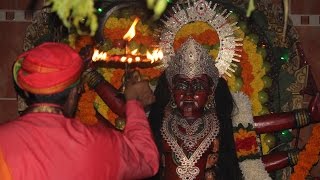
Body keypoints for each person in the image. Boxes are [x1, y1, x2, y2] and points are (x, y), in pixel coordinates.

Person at [0, 42, 159, 180]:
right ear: (75, 93)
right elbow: (147, 159)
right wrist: (134, 102)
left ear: (26, 92)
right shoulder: (103, 143)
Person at [148, 38, 242, 179]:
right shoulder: (160, 123)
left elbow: (229, 169)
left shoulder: (219, 125)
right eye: (182, 85)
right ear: (171, 90)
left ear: (210, 92)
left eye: (198, 86)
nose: (189, 93)